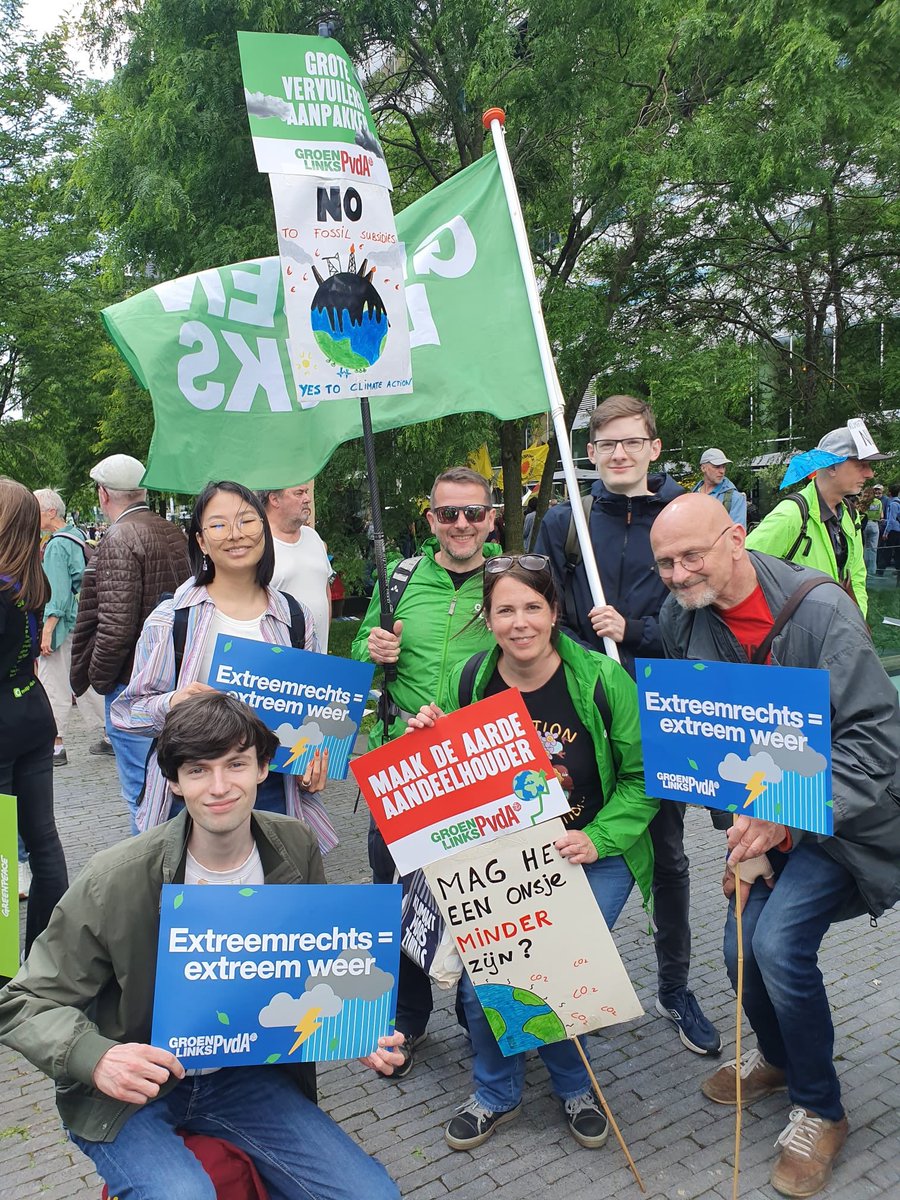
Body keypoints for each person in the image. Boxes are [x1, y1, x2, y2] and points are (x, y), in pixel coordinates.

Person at [0, 692, 403, 1200]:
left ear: (263, 768)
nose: (218, 787)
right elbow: (23, 1001)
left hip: (240, 1076)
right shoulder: (114, 878)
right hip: (134, 1091)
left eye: (236, 764)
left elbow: (308, 961)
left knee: (371, 1195)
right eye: (197, 770)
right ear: (174, 780)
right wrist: (97, 1058)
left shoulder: (295, 845)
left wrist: (352, 1027)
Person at [650, 492, 900, 1199]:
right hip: (765, 819)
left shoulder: (822, 613)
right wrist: (746, 842)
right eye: (665, 562)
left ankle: (821, 1110)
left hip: (842, 823)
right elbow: (709, 733)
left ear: (736, 539)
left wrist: (786, 822)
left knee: (779, 946)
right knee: (738, 948)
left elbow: (875, 743)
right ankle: (781, 1059)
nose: (677, 574)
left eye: (691, 556)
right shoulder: (681, 614)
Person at [407, 554, 658, 1150]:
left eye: (532, 608)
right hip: (506, 856)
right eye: (505, 610)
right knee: (485, 982)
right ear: (487, 617)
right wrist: (426, 741)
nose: (519, 623)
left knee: (558, 967)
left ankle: (576, 1089)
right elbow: (448, 777)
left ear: (553, 612)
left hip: (592, 851)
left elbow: (644, 777)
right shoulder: (469, 679)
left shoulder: (601, 679)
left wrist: (597, 838)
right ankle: (497, 1094)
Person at [536, 394, 722, 1057]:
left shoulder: (682, 517)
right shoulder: (566, 521)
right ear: (590, 453)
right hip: (578, 721)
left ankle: (674, 987)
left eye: (632, 442)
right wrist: (582, 654)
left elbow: (706, 616)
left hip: (659, 721)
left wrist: (634, 630)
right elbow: (541, 612)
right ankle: (553, 989)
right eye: (607, 444)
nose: (619, 454)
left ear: (654, 447)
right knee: (562, 851)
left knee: (667, 858)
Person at [350, 466, 503, 1076]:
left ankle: (478, 1016)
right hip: (403, 765)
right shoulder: (400, 577)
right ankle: (406, 1018)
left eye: (473, 512)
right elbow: (361, 648)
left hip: (478, 765)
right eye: (448, 513)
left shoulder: (508, 580)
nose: (461, 524)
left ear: (491, 518)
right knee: (397, 899)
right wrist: (372, 648)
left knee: (479, 897)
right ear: (430, 519)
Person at [111, 481, 335, 851]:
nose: (235, 534)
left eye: (246, 521)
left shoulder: (295, 618)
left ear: (263, 529)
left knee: (279, 886)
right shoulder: (171, 619)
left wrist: (314, 761)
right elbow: (126, 712)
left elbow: (312, 712)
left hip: (274, 792)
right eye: (218, 525)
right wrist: (174, 703)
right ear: (201, 541)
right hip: (194, 794)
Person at [71, 454, 190, 832]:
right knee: (175, 789)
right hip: (175, 677)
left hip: (133, 685)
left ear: (103, 494)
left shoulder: (119, 537)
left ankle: (151, 868)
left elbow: (116, 627)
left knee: (143, 795)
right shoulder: (173, 531)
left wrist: (100, 679)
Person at [0, 478, 68, 962]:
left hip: (4, 724)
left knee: (4, 852)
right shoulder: (31, 581)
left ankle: (5, 970)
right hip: (32, 711)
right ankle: (47, 962)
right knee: (43, 841)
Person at [746, 423, 890, 617]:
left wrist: (856, 621)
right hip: (799, 633)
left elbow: (856, 575)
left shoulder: (850, 513)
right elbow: (741, 573)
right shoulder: (791, 515)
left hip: (838, 630)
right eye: (861, 464)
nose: (870, 473)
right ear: (831, 466)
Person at [33, 489, 107, 765]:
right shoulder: (76, 535)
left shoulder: (55, 546)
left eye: (36, 510)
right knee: (86, 679)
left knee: (52, 684)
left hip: (62, 626)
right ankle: (110, 733)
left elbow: (58, 593)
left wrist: (47, 630)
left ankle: (55, 744)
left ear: (51, 512)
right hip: (83, 621)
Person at [259, 483, 332, 652]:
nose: (307, 499)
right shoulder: (257, 544)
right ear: (274, 499)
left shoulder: (313, 537)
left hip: (317, 656)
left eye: (306, 492)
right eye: (299, 493)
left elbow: (325, 590)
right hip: (277, 658)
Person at [692, 448, 747, 529]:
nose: (722, 471)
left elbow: (736, 533)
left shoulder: (735, 498)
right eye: (717, 467)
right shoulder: (692, 495)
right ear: (703, 468)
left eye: (723, 467)